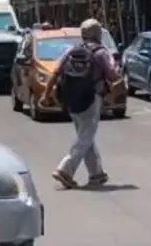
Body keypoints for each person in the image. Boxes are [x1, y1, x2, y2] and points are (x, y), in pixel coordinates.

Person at [42, 18, 120, 189]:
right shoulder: (101, 53)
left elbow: (55, 72)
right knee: (85, 137)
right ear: (97, 34)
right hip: (91, 98)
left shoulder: (71, 51)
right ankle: (65, 170)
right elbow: (113, 75)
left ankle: (96, 173)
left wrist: (46, 94)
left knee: (85, 135)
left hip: (70, 98)